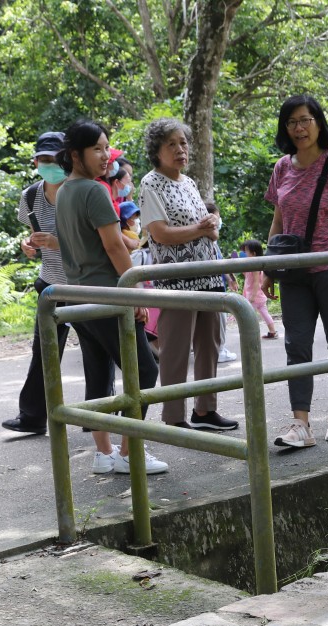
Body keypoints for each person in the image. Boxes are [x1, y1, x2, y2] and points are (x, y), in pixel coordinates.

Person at [53, 119, 167, 474]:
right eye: (97, 149)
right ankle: (131, 450)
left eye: (107, 148)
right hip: (105, 297)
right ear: (75, 155)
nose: (106, 156)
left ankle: (104, 455)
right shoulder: (94, 190)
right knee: (145, 371)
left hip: (77, 298)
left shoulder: (62, 192)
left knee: (99, 376)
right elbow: (115, 246)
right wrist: (133, 293)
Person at [261, 94, 328, 449]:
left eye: (305, 120)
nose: (299, 128)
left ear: (319, 122)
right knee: (297, 346)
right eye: (292, 122)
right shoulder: (281, 168)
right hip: (294, 273)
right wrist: (268, 269)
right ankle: (300, 424)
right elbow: (277, 220)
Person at [139, 117, 239, 432]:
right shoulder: (150, 183)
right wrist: (200, 227)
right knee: (176, 350)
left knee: (210, 344)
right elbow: (161, 234)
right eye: (172, 144)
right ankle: (173, 417)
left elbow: (205, 231)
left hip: (208, 275)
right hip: (176, 280)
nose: (181, 149)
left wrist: (210, 227)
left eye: (183, 143)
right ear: (157, 150)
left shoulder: (190, 183)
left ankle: (205, 410)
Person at [2, 131, 72, 436]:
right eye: (44, 159)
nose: (50, 164)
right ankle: (32, 416)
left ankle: (102, 415)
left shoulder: (79, 192)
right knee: (43, 352)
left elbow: (97, 243)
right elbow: (35, 237)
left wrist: (57, 243)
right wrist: (29, 246)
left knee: (101, 354)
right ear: (35, 161)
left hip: (83, 285)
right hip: (50, 285)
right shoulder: (30, 196)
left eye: (56, 159)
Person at [203, 200, 240, 364]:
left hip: (219, 283)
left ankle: (215, 349)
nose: (219, 221)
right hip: (214, 286)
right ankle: (219, 350)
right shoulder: (207, 239)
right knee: (219, 320)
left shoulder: (213, 241)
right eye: (217, 217)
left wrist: (229, 278)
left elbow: (221, 261)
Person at [241, 239, 279, 339]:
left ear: (253, 253)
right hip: (259, 295)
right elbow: (247, 277)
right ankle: (273, 331)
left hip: (253, 296)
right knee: (265, 314)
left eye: (246, 252)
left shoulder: (254, 266)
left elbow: (257, 281)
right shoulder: (255, 264)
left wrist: (252, 296)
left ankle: (251, 335)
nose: (244, 254)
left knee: (249, 316)